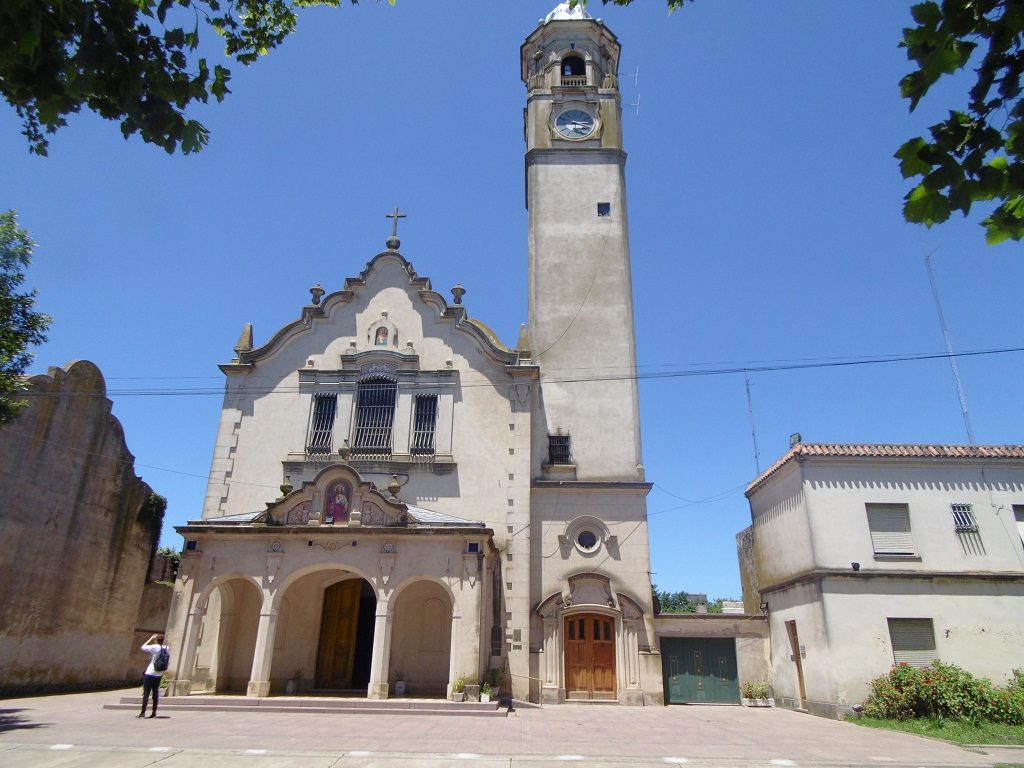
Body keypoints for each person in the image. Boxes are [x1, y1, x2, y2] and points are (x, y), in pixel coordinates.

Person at [139, 633, 169, 718]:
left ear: (156, 640)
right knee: (155, 693)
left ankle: (143, 712)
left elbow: (143, 647)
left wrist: (151, 638)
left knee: (146, 693)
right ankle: (154, 712)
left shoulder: (155, 647)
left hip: (150, 673)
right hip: (159, 674)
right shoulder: (166, 648)